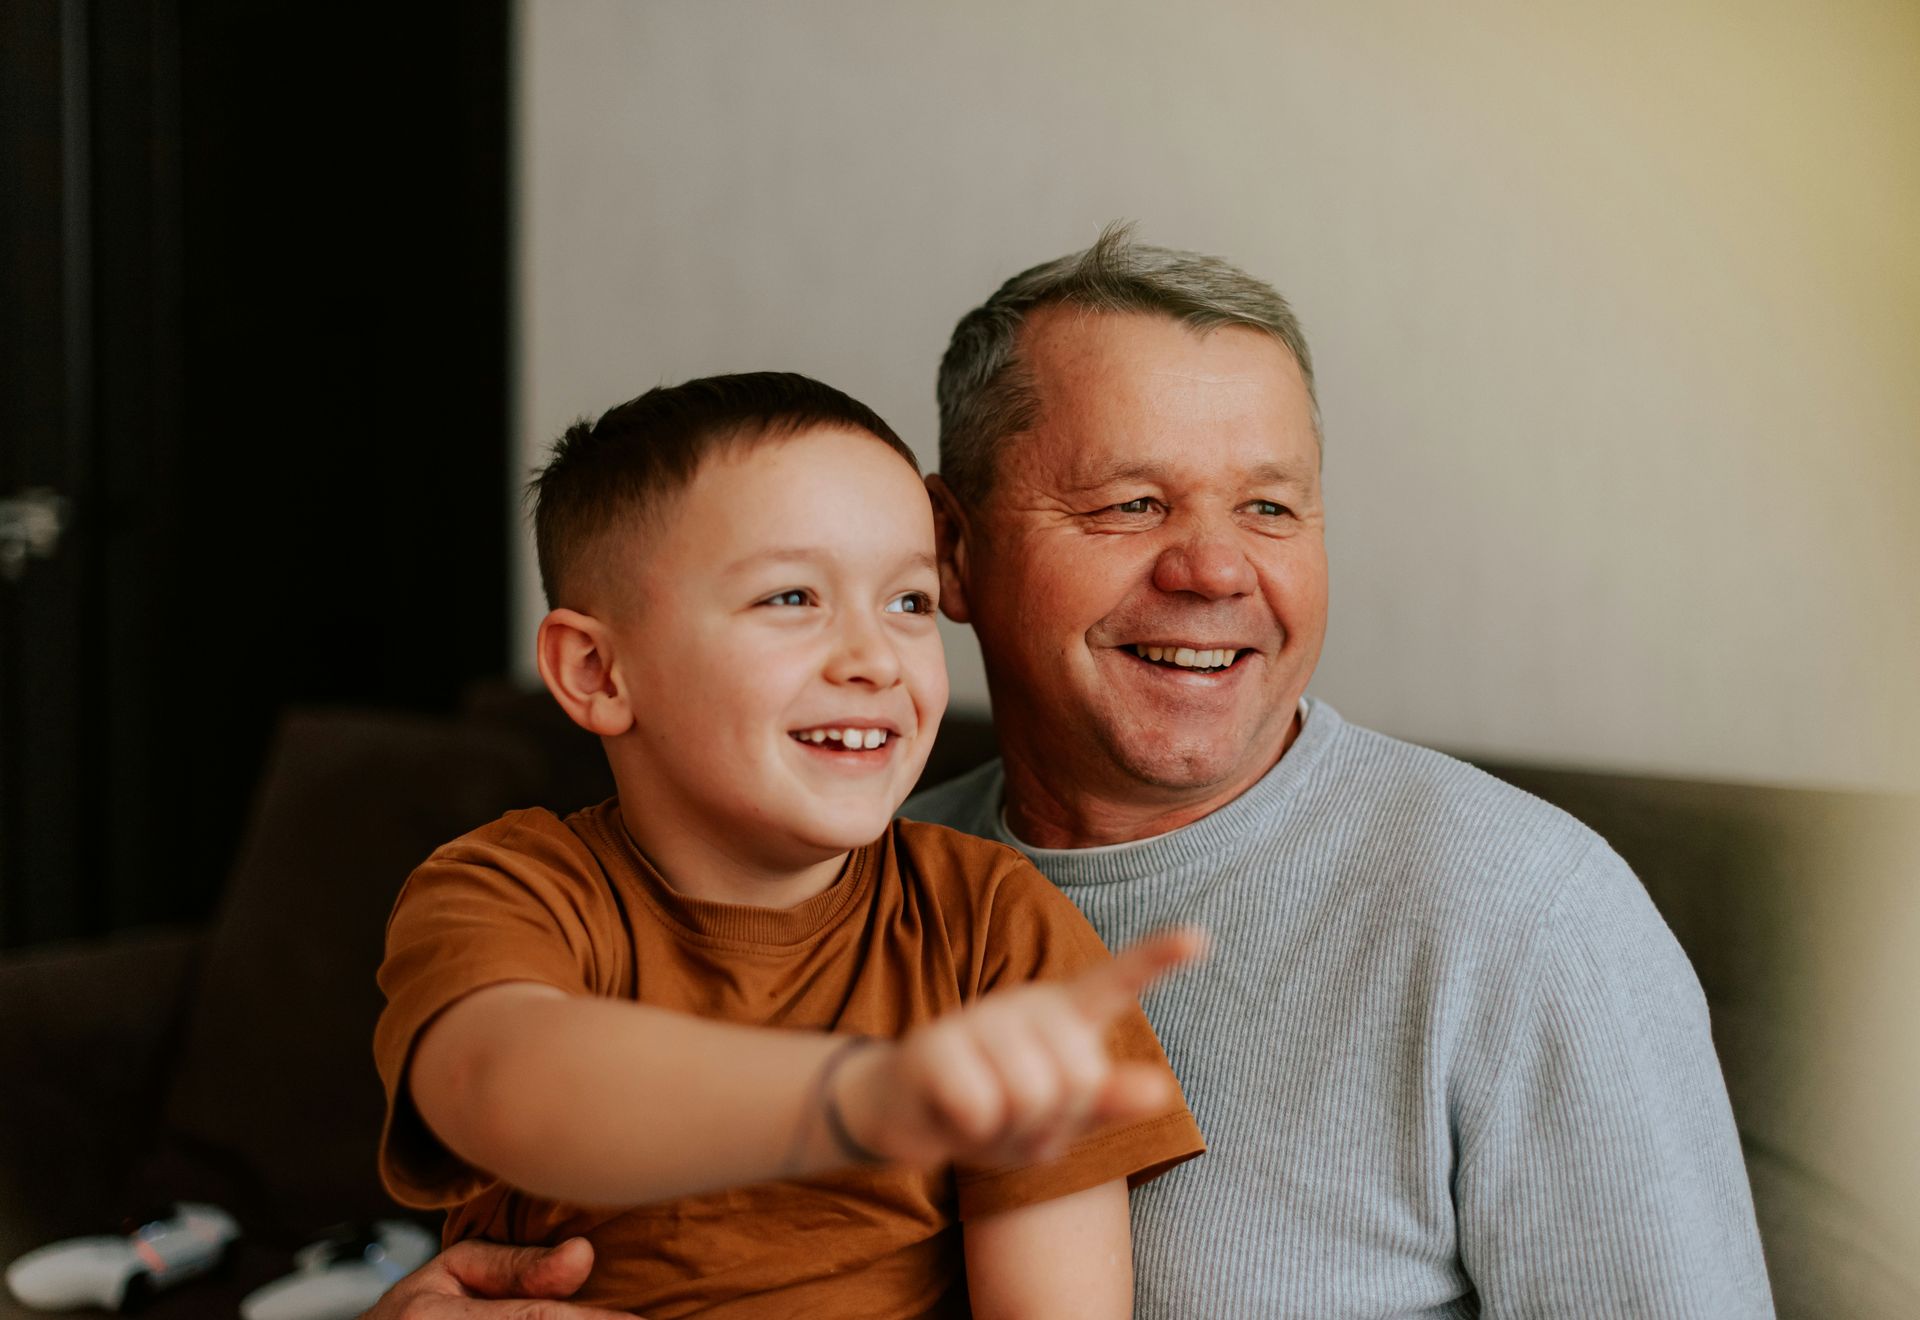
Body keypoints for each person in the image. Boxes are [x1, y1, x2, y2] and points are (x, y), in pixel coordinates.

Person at [370, 232, 1775, 1318]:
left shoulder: (1525, 911)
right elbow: (518, 1097)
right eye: (1132, 505)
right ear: (959, 552)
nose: (1216, 568)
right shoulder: (881, 861)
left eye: (1270, 507)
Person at [370, 372, 1204, 1318]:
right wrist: (863, 1100)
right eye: (792, 597)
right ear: (598, 671)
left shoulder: (993, 925)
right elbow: (498, 1084)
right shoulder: (510, 889)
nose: (875, 658)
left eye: (909, 602)